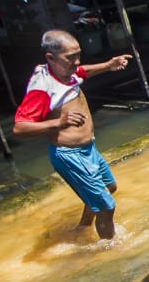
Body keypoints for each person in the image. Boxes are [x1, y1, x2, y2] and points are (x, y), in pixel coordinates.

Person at [13, 30, 133, 240]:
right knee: (106, 206)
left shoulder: (66, 71)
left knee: (109, 187)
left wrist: (108, 65)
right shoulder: (43, 88)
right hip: (69, 154)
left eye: (78, 55)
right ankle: (111, 248)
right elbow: (20, 128)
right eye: (70, 57)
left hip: (88, 148)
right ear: (50, 57)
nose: (77, 62)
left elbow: (83, 71)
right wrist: (58, 122)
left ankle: (83, 227)